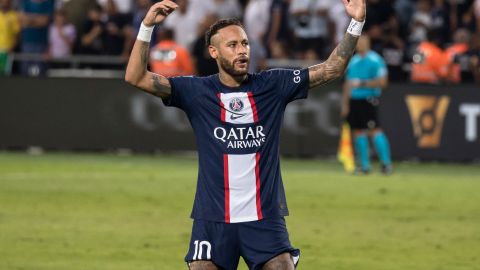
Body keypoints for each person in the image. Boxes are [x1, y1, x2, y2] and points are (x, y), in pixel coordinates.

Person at [125, 0, 366, 269]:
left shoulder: (273, 85)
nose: (242, 51)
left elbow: (331, 68)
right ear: (213, 52)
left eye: (245, 44)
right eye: (232, 46)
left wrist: (356, 22)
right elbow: (136, 77)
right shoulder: (196, 91)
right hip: (213, 218)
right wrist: (146, 26)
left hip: (264, 219)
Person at [341, 35, 392, 175]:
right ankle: (364, 166)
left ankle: (386, 164)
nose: (360, 45)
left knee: (375, 130)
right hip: (354, 101)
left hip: (369, 99)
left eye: (363, 42)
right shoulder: (353, 61)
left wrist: (363, 83)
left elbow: (383, 82)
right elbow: (347, 84)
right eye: (358, 42)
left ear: (369, 43)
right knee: (358, 131)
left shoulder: (375, 60)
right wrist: (345, 103)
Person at [0, 0, 20, 75]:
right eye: (2, 2)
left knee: (5, 74)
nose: (3, 4)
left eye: (6, 2)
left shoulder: (13, 16)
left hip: (7, 51)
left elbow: (17, 35)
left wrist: (12, 47)